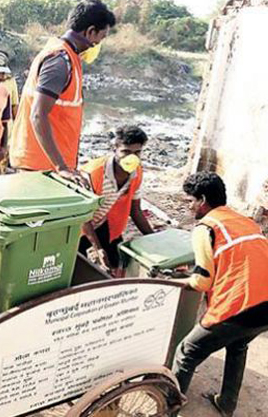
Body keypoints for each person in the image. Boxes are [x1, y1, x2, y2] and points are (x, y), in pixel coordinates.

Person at [172, 172, 268, 417]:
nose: (189, 206)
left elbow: (202, 282)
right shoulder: (243, 220)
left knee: (187, 352)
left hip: (241, 304)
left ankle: (168, 408)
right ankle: (226, 403)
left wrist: (179, 282)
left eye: (190, 201)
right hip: (265, 304)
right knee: (237, 345)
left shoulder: (205, 228)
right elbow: (236, 258)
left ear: (202, 199)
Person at [9, 0, 116, 186]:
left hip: (48, 165)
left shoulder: (69, 57)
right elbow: (37, 115)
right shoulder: (60, 61)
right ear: (91, 31)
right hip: (40, 167)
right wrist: (62, 168)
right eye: (102, 37)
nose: (99, 43)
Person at [78, 126, 154, 276]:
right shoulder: (93, 173)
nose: (132, 158)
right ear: (114, 149)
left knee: (113, 262)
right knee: (84, 267)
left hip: (105, 222)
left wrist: (153, 238)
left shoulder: (136, 172)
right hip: (80, 227)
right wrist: (97, 248)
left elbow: (135, 210)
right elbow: (81, 216)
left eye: (137, 152)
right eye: (126, 152)